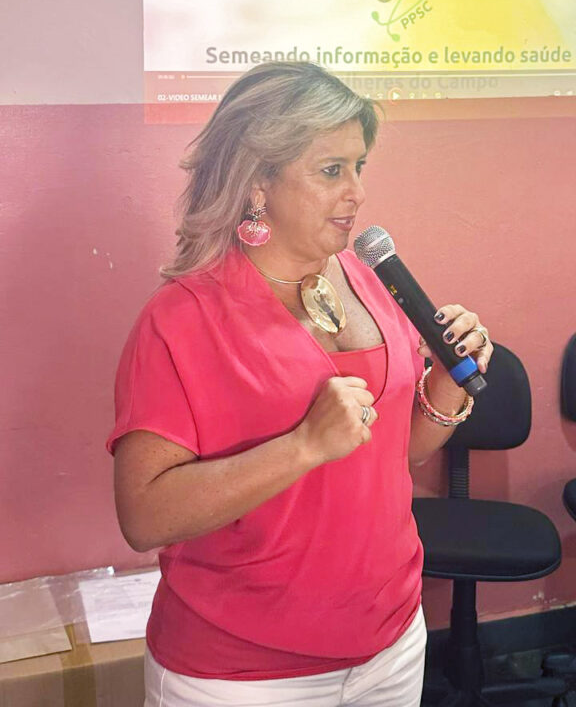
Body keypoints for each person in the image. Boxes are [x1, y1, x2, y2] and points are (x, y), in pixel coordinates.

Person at [107, 61, 492, 707]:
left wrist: (449, 385)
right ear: (258, 180)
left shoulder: (370, 279)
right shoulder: (181, 319)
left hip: (390, 645)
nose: (357, 193)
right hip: (240, 675)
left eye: (359, 166)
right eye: (331, 170)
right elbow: (143, 518)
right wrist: (303, 446)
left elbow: (398, 452)